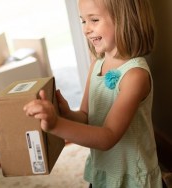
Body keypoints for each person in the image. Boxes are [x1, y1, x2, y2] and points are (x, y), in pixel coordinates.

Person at [23, 0, 163, 187]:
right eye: (83, 21)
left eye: (94, 20)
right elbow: (86, 117)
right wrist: (66, 114)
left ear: (125, 20)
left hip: (131, 177)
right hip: (105, 169)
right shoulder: (97, 65)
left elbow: (108, 137)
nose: (86, 29)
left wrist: (56, 125)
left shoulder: (135, 76)